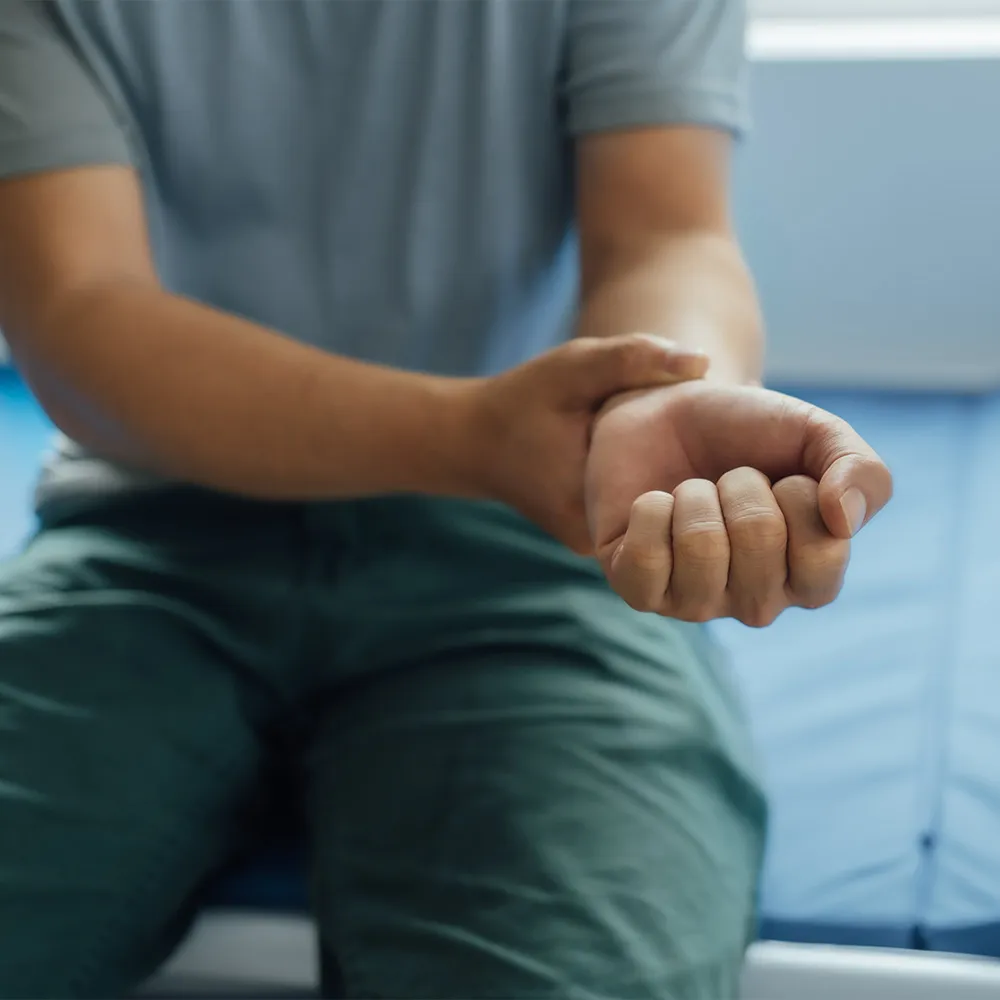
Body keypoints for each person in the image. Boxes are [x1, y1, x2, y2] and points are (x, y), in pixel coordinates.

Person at [0, 1, 892, 997]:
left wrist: (657, 403)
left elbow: (665, 232)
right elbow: (77, 311)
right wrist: (478, 437)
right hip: (151, 538)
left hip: (535, 543)